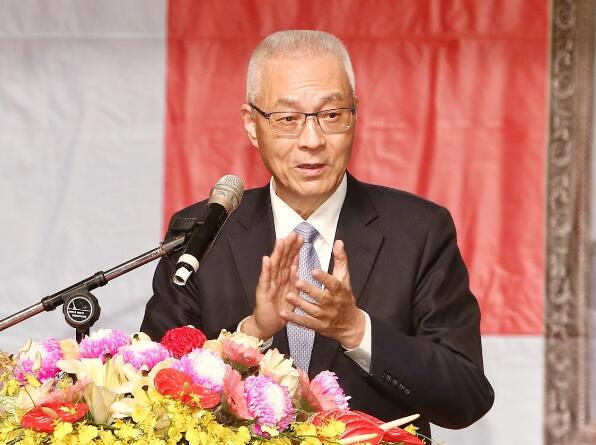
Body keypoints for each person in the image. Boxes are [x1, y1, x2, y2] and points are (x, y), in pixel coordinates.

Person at [141, 30, 494, 437]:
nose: (312, 141)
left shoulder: (418, 231)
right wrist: (251, 334)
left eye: (331, 115)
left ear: (354, 115)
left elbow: (465, 396)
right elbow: (150, 389)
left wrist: (355, 329)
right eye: (288, 119)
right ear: (252, 125)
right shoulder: (205, 233)